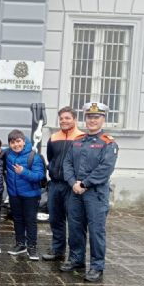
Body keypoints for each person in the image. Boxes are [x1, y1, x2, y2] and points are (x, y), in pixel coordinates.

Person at [61, 102, 118, 282]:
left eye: (96, 117)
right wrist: (73, 183)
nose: (92, 120)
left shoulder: (108, 143)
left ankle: (96, 266)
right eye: (89, 117)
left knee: (96, 230)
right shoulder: (77, 141)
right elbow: (67, 163)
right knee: (75, 227)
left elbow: (105, 168)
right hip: (75, 192)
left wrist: (85, 183)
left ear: (103, 119)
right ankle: (76, 259)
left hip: (95, 194)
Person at [42, 106, 84, 261]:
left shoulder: (82, 138)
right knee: (55, 219)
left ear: (75, 119)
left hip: (72, 186)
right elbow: (51, 158)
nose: (64, 121)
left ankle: (76, 256)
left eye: (67, 118)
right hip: (55, 184)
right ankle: (58, 250)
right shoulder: (54, 138)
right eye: (61, 118)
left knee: (74, 222)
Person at [5, 130, 46, 261]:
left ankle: (32, 246)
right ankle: (20, 244)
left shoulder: (34, 156)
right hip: (14, 194)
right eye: (12, 142)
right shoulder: (8, 154)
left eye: (18, 141)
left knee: (30, 221)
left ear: (23, 141)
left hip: (30, 195)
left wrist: (23, 172)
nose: (16, 145)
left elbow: (39, 176)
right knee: (17, 219)